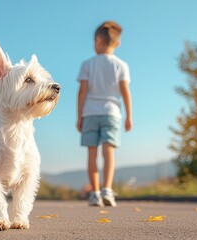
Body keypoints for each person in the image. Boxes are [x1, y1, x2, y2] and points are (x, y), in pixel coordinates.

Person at [76, 21, 132, 207]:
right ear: (117, 43)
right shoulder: (121, 65)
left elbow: (82, 92)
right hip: (112, 113)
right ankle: (107, 190)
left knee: (92, 154)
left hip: (90, 113)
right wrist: (129, 116)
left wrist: (79, 116)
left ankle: (95, 194)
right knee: (109, 153)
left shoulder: (87, 64)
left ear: (98, 40)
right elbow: (125, 92)